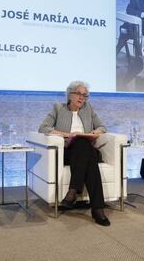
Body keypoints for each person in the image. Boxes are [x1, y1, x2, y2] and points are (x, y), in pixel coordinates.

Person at [38, 81, 110, 226]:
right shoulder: (58, 108)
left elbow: (102, 127)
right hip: (67, 152)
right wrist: (68, 135)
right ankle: (98, 209)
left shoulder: (88, 108)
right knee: (85, 152)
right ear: (69, 94)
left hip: (86, 150)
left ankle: (73, 192)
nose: (82, 98)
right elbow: (43, 128)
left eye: (85, 95)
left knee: (83, 143)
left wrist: (92, 133)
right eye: (79, 94)